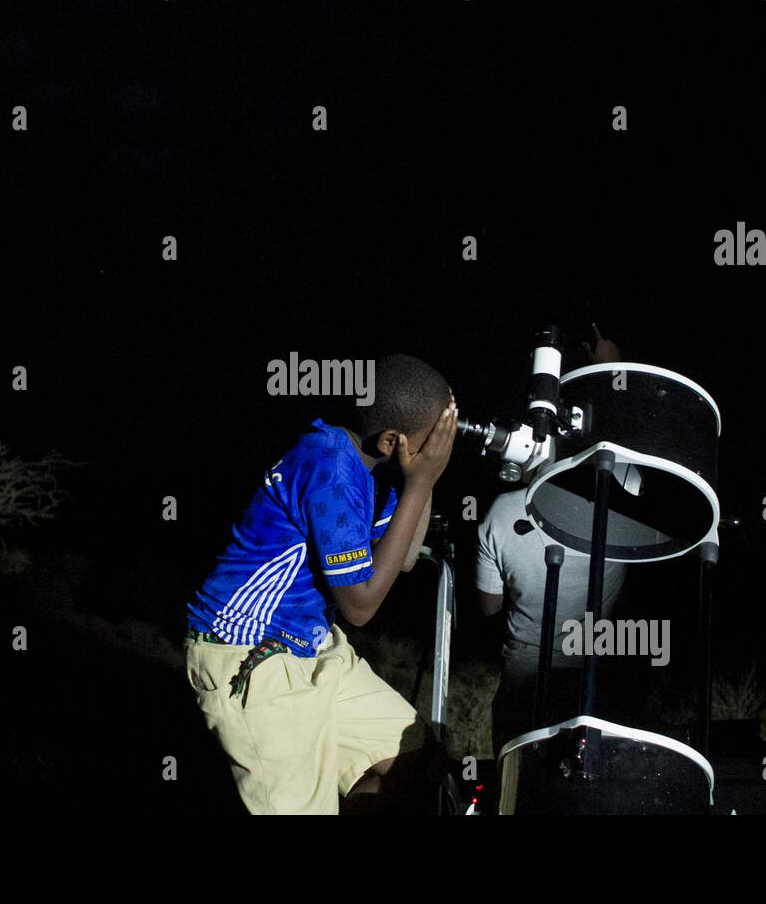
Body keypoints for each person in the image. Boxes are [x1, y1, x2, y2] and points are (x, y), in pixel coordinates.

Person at [185, 354, 457, 814]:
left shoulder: (376, 474)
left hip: (311, 647)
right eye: (432, 440)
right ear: (392, 440)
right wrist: (421, 482)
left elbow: (406, 558)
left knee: (419, 759)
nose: (438, 450)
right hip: (249, 656)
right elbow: (360, 606)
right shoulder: (328, 468)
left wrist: (424, 481)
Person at [476, 325, 628, 758]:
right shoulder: (615, 497)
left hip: (526, 674)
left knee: (517, 779)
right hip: (597, 669)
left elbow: (489, 607)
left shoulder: (500, 513)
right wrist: (611, 369)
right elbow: (633, 435)